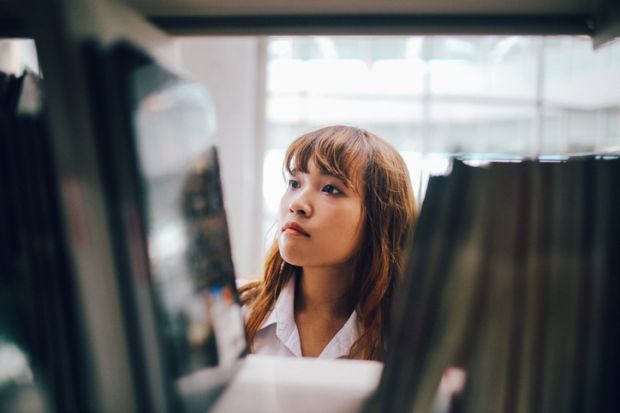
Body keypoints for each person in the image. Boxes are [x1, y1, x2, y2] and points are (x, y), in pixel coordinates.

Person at [240, 125, 416, 361]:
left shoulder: (405, 341)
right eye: (294, 183)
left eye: (330, 189)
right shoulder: (236, 314)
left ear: (379, 219)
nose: (297, 204)